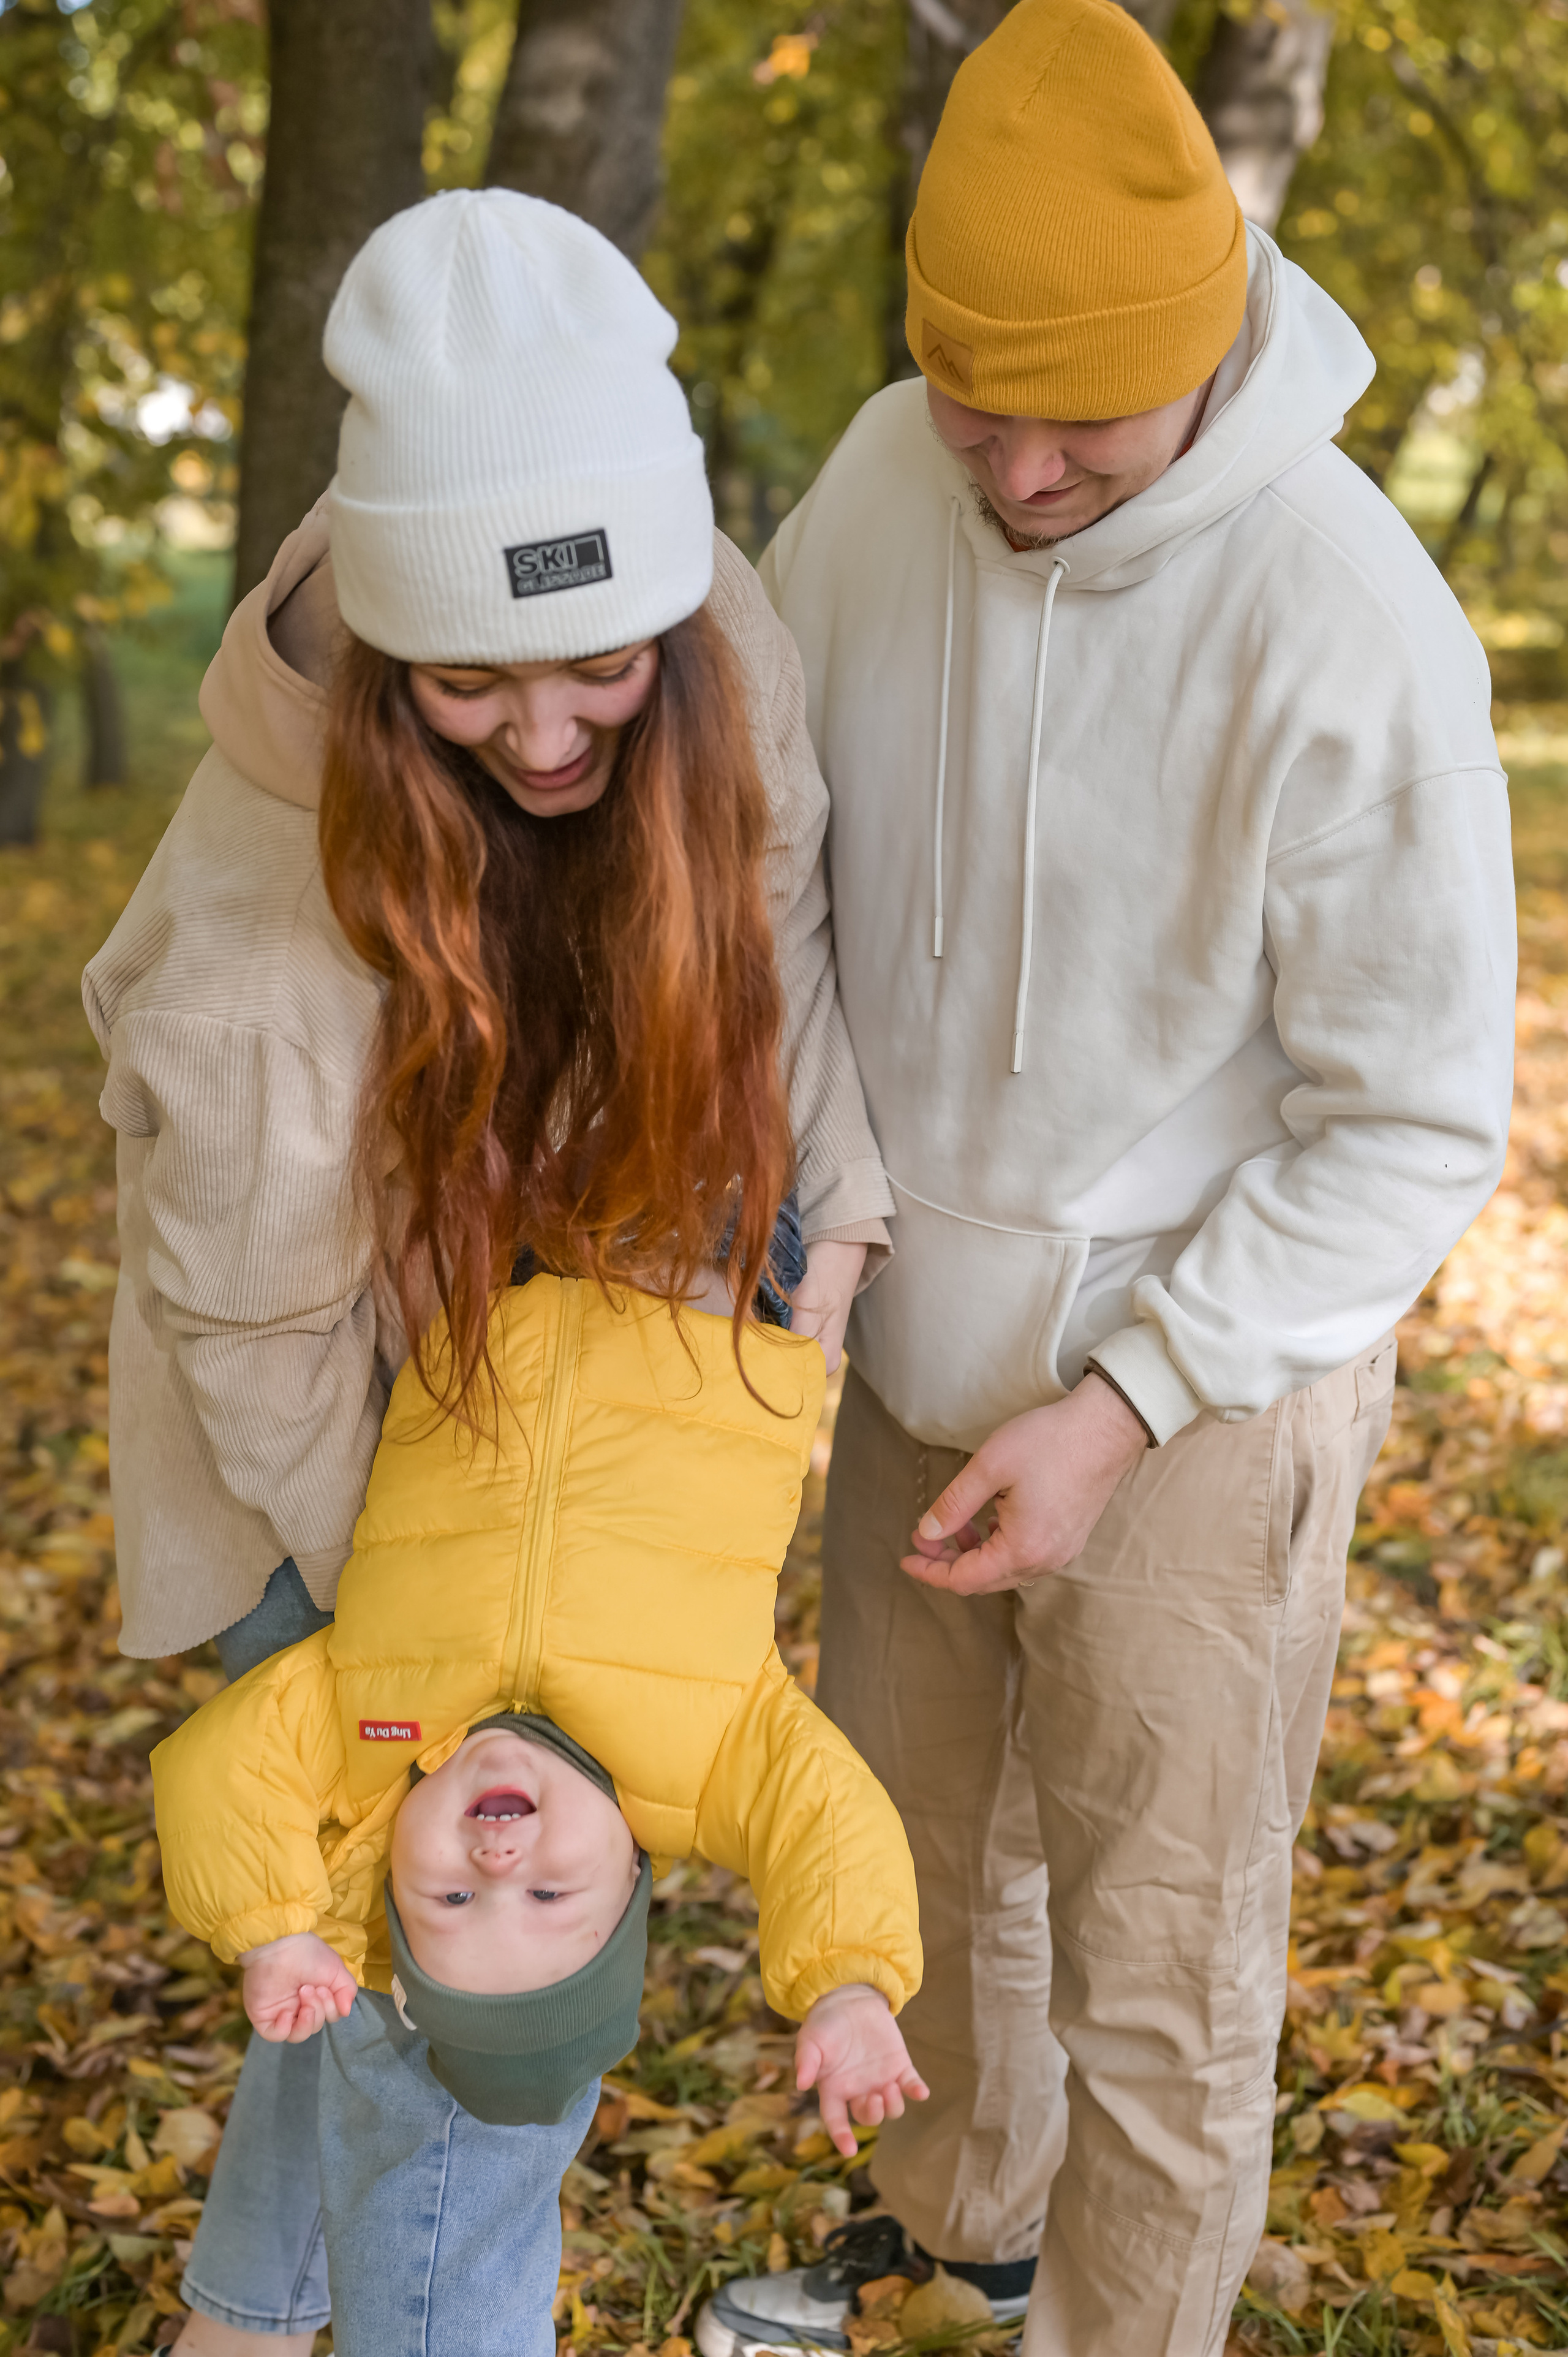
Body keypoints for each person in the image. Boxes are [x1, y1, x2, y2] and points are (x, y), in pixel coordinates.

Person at [696, 4, 1516, 2355]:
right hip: (891, 1328)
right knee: (920, 1869)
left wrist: (1132, 1395)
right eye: (980, 398)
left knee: (1160, 1945)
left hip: (1197, 1377)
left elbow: (1415, 1117)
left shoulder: (1346, 621)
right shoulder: (873, 481)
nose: (1024, 465)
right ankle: (956, 2253)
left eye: (1086, 415)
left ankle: (1123, 2328)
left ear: (1206, 348)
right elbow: (767, 859)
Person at [83, 189, 894, 2357]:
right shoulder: (268, 953)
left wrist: (825, 1266)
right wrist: (458, 1652)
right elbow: (262, 1339)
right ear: (376, 668)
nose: (550, 739)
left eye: (601, 671)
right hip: (344, 1465)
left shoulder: (715, 632)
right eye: (467, 685)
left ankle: (239, 2324)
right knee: (453, 2061)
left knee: (351, 2001)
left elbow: (780, 945)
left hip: (588, 1426)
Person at [149, 1272, 926, 2357]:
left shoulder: (371, 1718)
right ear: (628, 1877)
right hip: (716, 1272)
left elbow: (220, 1767)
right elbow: (828, 1825)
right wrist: (845, 1982)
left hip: (495, 1253)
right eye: (548, 1892)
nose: (498, 1853)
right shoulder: (710, 1755)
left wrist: (273, 1927)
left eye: (452, 1895)